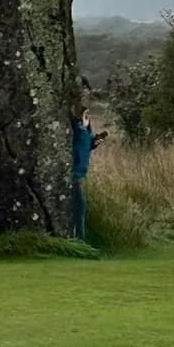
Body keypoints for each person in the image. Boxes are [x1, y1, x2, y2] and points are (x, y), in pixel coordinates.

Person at [71, 93, 106, 241]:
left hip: (79, 173)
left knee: (80, 208)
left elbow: (84, 147)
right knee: (78, 209)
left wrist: (94, 142)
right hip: (75, 173)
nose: (88, 117)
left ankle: (79, 239)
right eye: (85, 114)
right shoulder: (79, 130)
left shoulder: (84, 131)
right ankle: (79, 240)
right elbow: (78, 146)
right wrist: (85, 132)